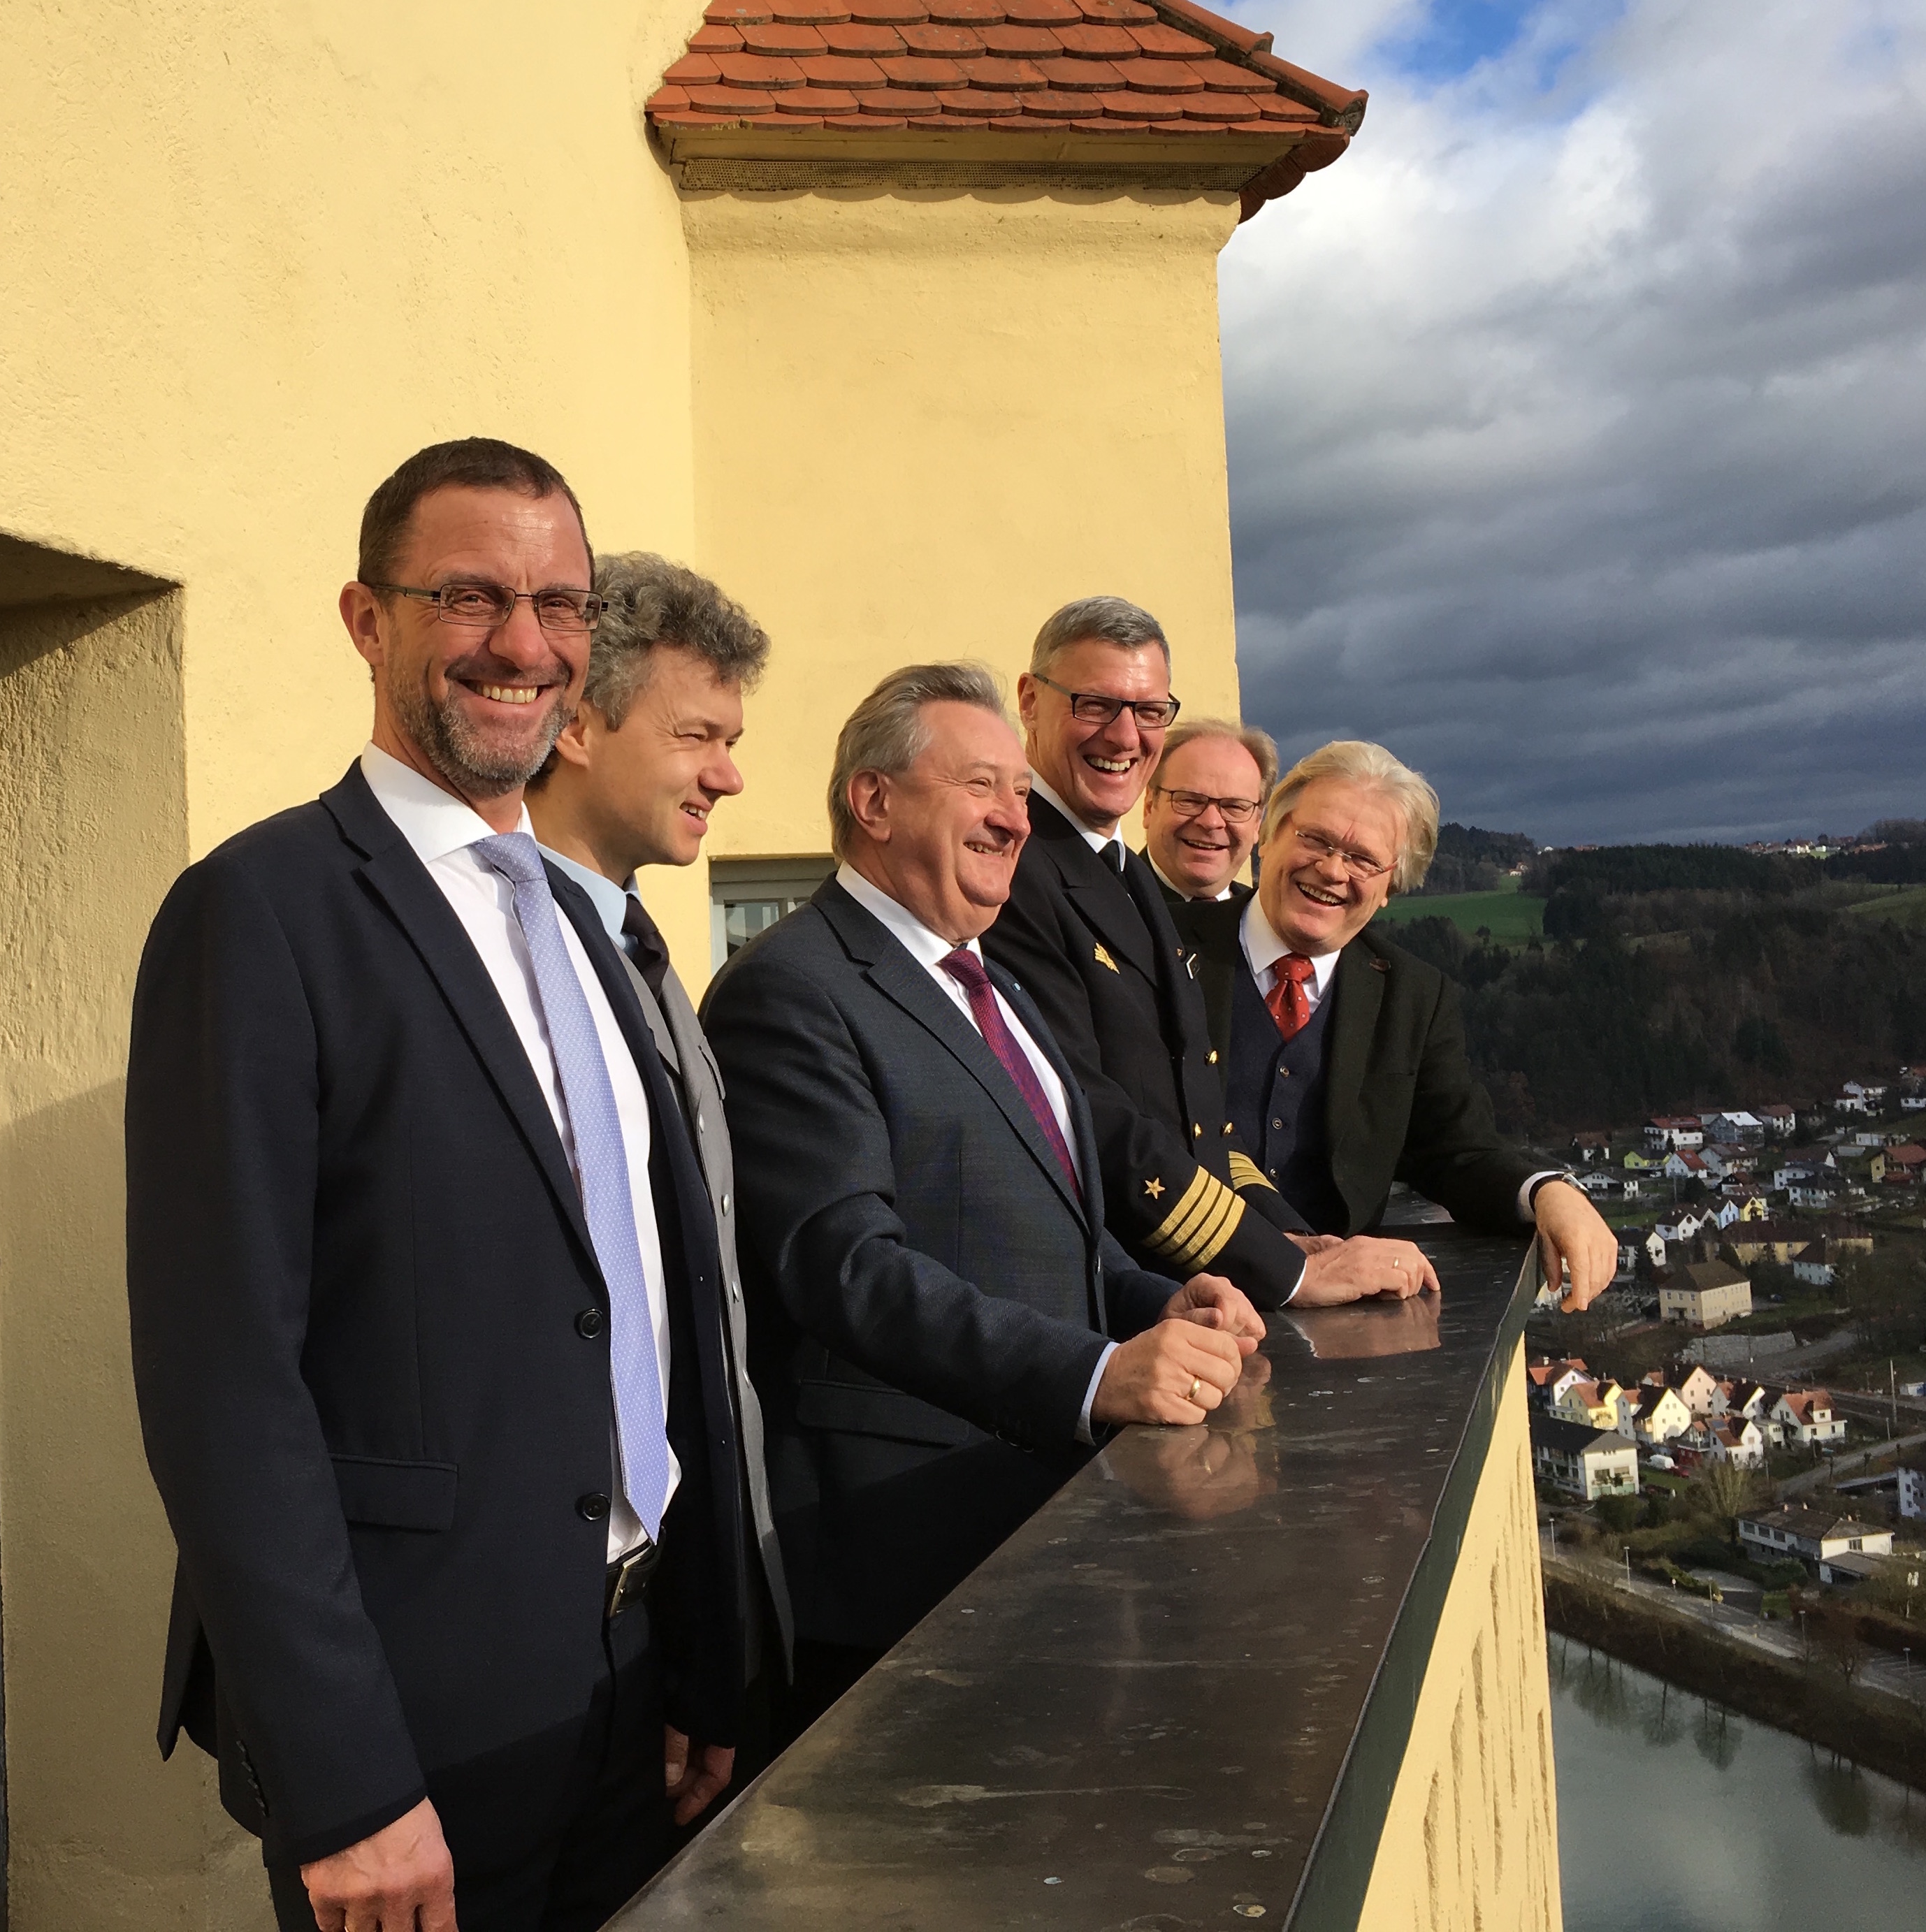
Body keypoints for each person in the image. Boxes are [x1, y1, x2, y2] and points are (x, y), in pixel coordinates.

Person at [126, 440, 756, 1932]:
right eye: (469, 596)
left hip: (630, 1690)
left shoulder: (597, 932)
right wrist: (345, 1777)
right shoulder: (261, 910)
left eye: (560, 603)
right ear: (367, 617)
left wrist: (706, 1656)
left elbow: (649, 1307)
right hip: (419, 1725)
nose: (524, 645)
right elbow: (226, 1384)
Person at [700, 662, 1265, 1724]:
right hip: (894, 1573)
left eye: (1017, 791)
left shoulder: (987, 979)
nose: (1015, 818)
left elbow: (1054, 1221)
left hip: (1032, 1530)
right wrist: (1098, 1370)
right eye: (982, 787)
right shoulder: (791, 988)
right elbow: (846, 1269)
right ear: (873, 800)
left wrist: (1159, 1301)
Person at [526, 549, 793, 1736]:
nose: (729, 776)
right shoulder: (484, 960)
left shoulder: (643, 953)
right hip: (508, 1649)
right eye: (698, 736)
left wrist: (696, 1646)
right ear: (578, 722)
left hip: (646, 1635)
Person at [985, 596, 1424, 1311]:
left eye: (1151, 711)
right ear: (1030, 701)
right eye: (1096, 703)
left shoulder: (1120, 873)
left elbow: (1195, 1118)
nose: (1125, 735)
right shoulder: (1014, 867)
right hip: (1099, 1305)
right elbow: (1087, 1113)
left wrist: (1284, 1236)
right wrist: (1289, 1272)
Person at [1171, 740, 1618, 1309]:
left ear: (1389, 890)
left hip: (1338, 1319)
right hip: (1175, 1301)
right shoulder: (1162, 946)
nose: (1332, 869)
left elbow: (1457, 1149)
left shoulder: (1413, 996)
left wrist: (1549, 1191)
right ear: (1267, 835)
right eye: (1316, 838)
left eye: (1362, 859)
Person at [1141, 717, 1276, 903]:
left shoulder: (1265, 922)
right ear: (1149, 806)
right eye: (1190, 800)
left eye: (1234, 806)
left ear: (1257, 823)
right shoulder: (1100, 908)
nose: (1211, 822)